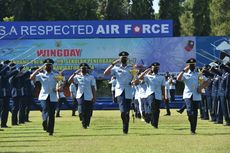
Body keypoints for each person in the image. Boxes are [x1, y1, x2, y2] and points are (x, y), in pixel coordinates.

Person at [177, 58, 210, 134]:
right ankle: (191, 121)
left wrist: (201, 87)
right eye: (190, 65)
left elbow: (207, 81)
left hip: (196, 95)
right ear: (187, 65)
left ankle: (193, 130)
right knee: (190, 111)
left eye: (193, 65)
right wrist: (183, 70)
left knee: (195, 113)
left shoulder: (198, 74)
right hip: (187, 95)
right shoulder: (185, 74)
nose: (192, 66)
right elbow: (178, 79)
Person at [104, 51, 133, 134]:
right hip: (120, 91)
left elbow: (136, 79)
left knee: (127, 112)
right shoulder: (116, 68)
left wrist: (134, 81)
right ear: (119, 58)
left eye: (125, 57)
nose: (124, 59)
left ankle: (126, 127)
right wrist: (113, 64)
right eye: (122, 57)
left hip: (129, 91)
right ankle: (125, 125)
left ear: (127, 58)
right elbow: (105, 73)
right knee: (123, 111)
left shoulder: (131, 68)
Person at [30, 58, 59, 136]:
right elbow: (31, 78)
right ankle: (45, 121)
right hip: (43, 96)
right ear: (44, 66)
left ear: (52, 66)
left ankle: (51, 130)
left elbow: (62, 83)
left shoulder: (56, 75)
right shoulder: (41, 75)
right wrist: (38, 70)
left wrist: (59, 87)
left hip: (53, 96)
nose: (48, 66)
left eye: (49, 65)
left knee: (52, 114)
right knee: (45, 109)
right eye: (46, 65)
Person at [134, 62, 166, 128]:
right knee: (152, 107)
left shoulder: (161, 77)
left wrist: (163, 95)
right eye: (154, 68)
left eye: (156, 68)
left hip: (158, 95)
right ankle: (150, 118)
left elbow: (162, 87)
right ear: (151, 68)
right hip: (150, 94)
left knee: (157, 110)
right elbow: (139, 78)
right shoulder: (147, 76)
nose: (155, 69)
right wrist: (146, 71)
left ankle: (155, 124)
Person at [68, 63, 96, 129]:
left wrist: (94, 97)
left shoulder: (91, 77)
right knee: (81, 110)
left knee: (88, 111)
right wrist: (74, 73)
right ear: (80, 69)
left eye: (84, 68)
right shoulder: (77, 76)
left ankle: (87, 123)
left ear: (87, 69)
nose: (83, 69)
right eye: (82, 68)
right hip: (80, 95)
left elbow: (93, 88)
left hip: (89, 95)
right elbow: (69, 81)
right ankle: (83, 123)